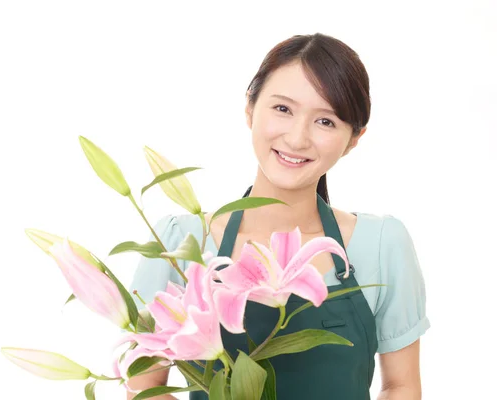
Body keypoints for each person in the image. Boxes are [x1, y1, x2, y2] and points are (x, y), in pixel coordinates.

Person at [126, 33, 430, 400]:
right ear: (250, 109)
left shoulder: (381, 245)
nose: (298, 138)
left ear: (354, 138)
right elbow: (143, 388)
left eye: (326, 121)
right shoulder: (180, 245)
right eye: (283, 109)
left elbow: (401, 387)